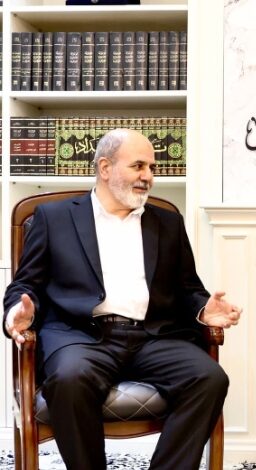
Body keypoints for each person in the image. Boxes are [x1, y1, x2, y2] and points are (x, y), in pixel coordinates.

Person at [3, 128, 242, 470]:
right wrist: (17, 312)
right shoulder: (54, 218)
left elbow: (188, 289)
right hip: (81, 336)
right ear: (105, 168)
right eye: (138, 166)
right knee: (70, 379)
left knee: (209, 378)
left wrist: (204, 310)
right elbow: (26, 284)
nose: (148, 176)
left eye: (152, 168)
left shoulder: (168, 222)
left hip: (153, 337)